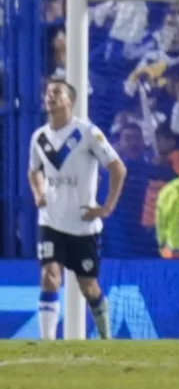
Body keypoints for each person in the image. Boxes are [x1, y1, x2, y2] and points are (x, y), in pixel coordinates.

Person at [29, 78, 127, 340]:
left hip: (83, 225)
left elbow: (118, 168)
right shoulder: (39, 137)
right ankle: (47, 343)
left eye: (56, 93)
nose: (50, 97)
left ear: (70, 101)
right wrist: (39, 193)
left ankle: (106, 338)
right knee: (50, 276)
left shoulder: (87, 133)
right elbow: (33, 170)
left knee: (89, 287)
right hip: (50, 221)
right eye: (47, 93)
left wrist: (106, 207)